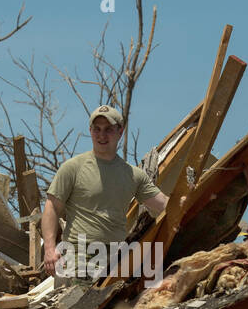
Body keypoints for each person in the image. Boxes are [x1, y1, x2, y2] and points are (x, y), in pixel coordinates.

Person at [42, 105, 168, 285]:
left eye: (108, 129)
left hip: (114, 262)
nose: (102, 135)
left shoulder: (133, 175)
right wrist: (49, 249)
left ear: (120, 132)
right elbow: (52, 207)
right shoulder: (73, 168)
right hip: (77, 260)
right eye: (97, 129)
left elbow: (164, 205)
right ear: (90, 131)